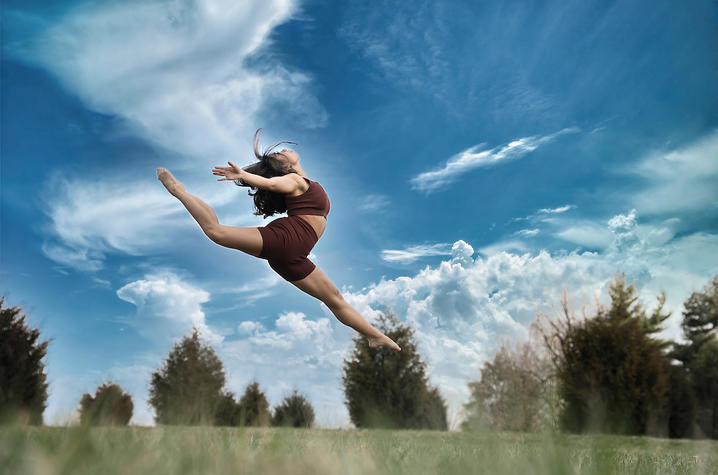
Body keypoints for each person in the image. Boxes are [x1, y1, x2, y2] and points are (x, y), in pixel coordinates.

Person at [157, 128, 401, 351]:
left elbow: (273, 182)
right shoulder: (294, 180)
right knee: (216, 232)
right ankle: (179, 191)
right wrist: (245, 175)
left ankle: (373, 335)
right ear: (285, 166)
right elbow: (272, 183)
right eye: (280, 153)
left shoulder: (301, 181)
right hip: (287, 239)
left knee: (335, 299)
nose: (284, 150)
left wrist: (248, 176)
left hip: (293, 255)